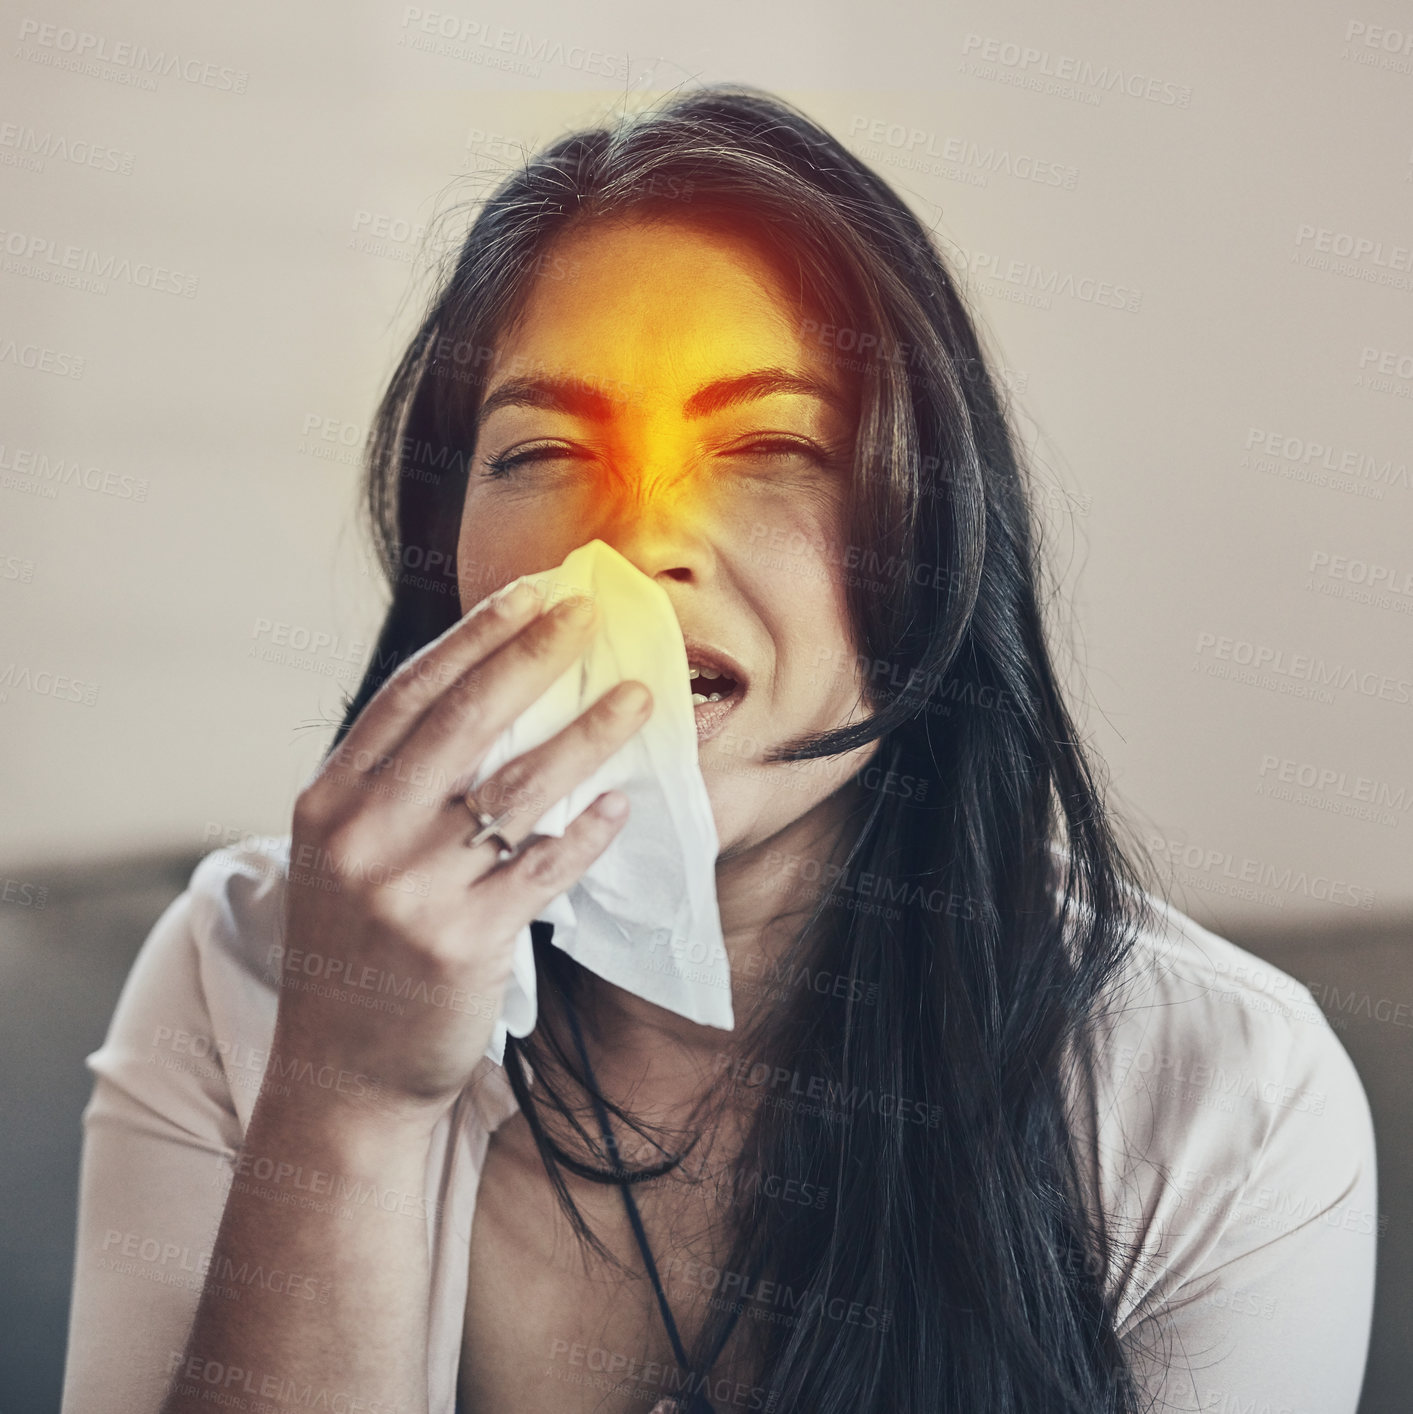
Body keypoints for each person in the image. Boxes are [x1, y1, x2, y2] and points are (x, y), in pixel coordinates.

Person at [61, 86, 1376, 1414]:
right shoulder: (241, 977)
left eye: (761, 445)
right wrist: (345, 1097)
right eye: (542, 449)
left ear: (929, 532)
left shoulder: (1219, 1095)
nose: (635, 542)